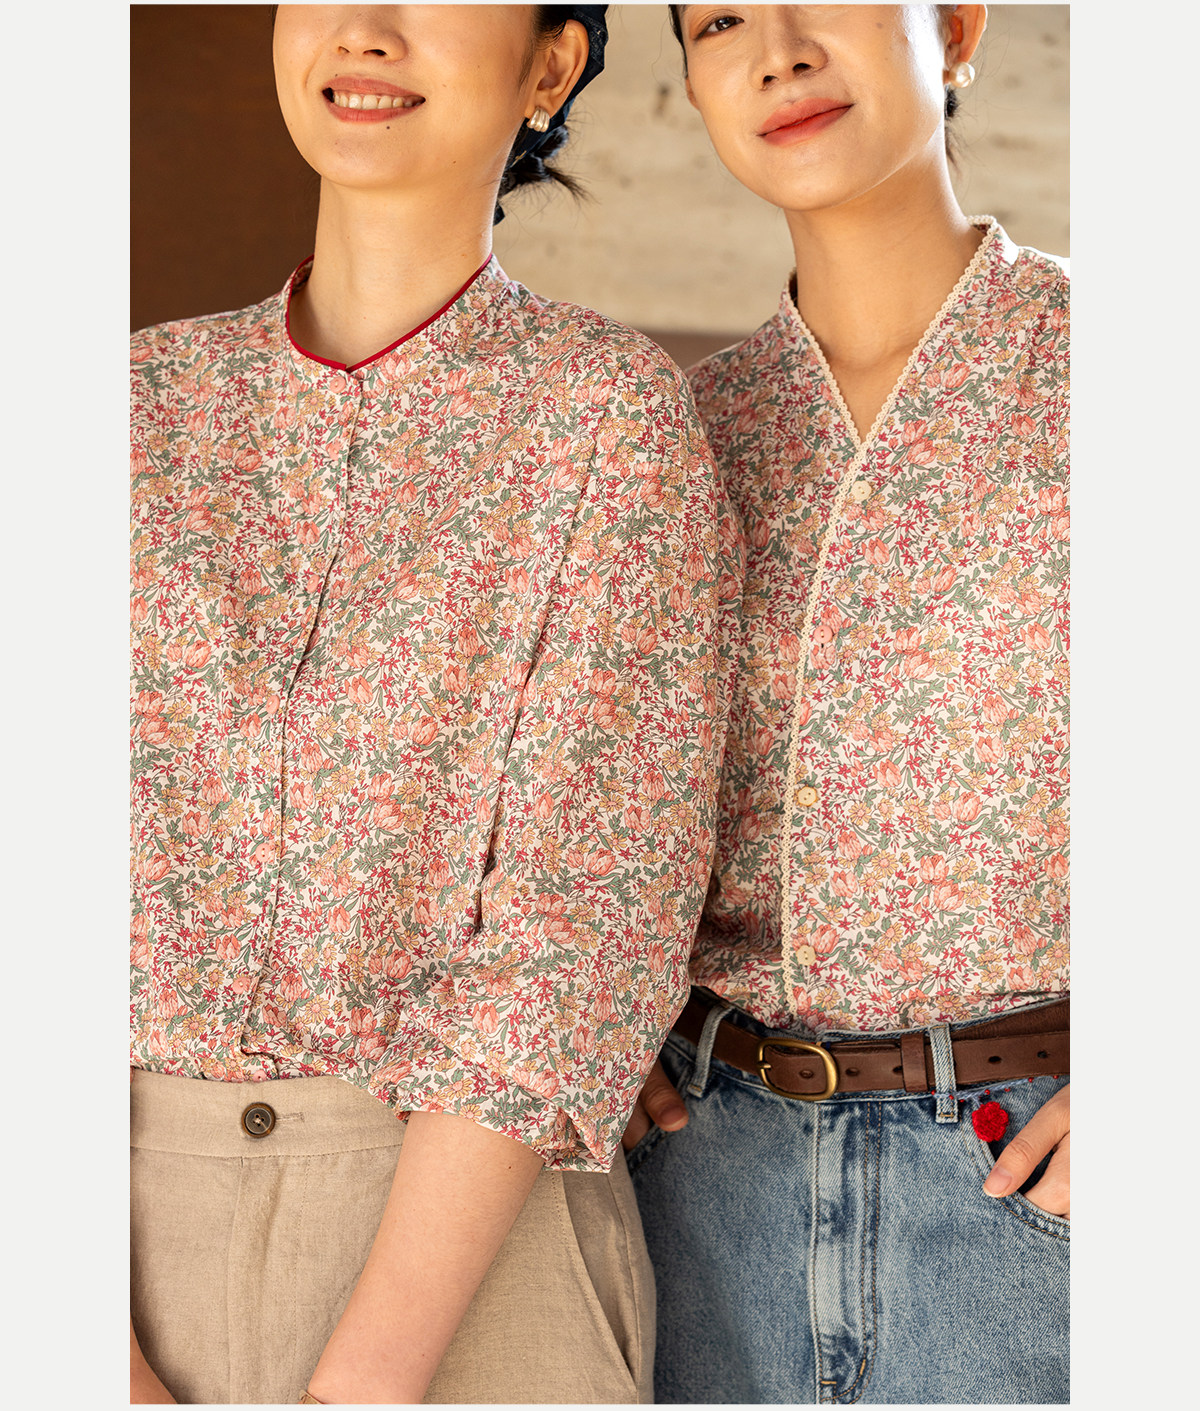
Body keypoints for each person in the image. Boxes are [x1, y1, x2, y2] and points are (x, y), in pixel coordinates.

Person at [129, 6, 740, 1404]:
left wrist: (363, 1387)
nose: (365, 28)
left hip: (471, 1260)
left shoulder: (612, 421)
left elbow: (584, 921)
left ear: (550, 65)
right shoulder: (126, 409)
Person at [623, 4, 1069, 1403]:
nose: (780, 49)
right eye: (719, 19)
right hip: (705, 1189)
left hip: (1037, 1183)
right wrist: (594, 1025)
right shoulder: (678, 435)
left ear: (956, 27)